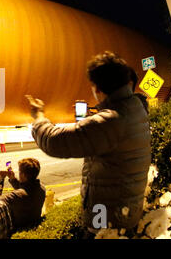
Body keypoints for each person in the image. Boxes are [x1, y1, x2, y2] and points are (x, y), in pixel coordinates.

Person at [26, 51, 151, 236]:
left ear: (98, 89)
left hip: (107, 220)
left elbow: (55, 141)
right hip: (124, 211)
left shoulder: (111, 121)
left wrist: (38, 117)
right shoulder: (137, 108)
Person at [0, 158, 46, 231]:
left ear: (23, 175)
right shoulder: (41, 188)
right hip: (34, 225)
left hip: (19, 230)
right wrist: (13, 179)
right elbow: (26, 189)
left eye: (19, 171)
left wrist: (0, 178)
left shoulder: (16, 196)